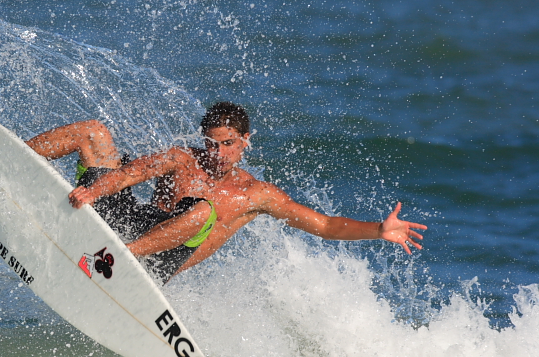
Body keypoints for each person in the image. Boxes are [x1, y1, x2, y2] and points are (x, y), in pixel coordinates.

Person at [26, 102, 427, 283]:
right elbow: (131, 174)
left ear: (245, 140)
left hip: (151, 262)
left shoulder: (255, 194)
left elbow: (322, 224)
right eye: (212, 143)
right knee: (93, 132)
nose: (217, 153)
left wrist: (377, 229)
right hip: (124, 224)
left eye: (228, 144)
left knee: (202, 212)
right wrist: (96, 191)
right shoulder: (183, 158)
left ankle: (121, 257)